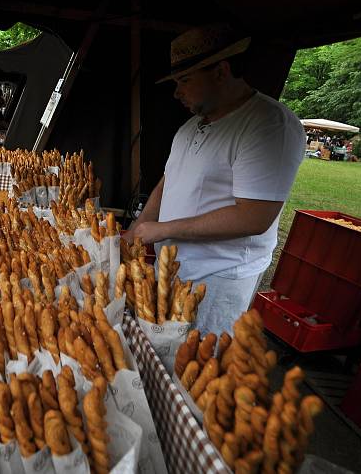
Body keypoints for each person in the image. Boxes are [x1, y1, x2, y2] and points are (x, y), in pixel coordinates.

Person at [126, 23, 305, 337]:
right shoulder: (191, 126)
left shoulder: (268, 124)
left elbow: (254, 217)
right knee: (163, 360)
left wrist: (163, 229)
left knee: (198, 370)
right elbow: (167, 182)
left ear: (221, 72)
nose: (177, 92)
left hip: (217, 280)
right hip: (172, 267)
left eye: (184, 80)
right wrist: (137, 227)